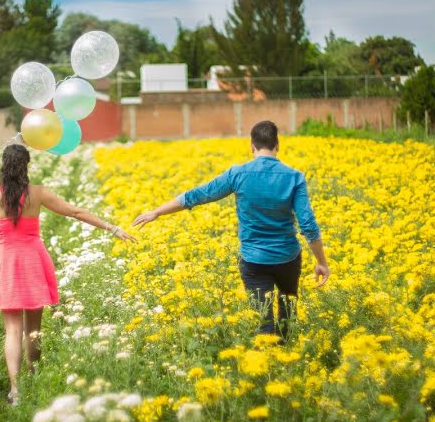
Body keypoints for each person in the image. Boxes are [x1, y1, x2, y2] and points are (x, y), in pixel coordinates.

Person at [0, 144, 135, 405]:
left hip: (7, 264)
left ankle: (15, 391)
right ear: (26, 166)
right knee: (33, 330)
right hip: (34, 261)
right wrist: (111, 228)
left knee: (12, 331)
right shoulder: (38, 193)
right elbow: (75, 212)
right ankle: (33, 377)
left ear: (3, 165)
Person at [132, 120, 329, 340]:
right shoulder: (294, 177)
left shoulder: (238, 174)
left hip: (254, 260)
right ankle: (287, 359)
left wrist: (157, 212)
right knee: (287, 314)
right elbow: (308, 225)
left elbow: (197, 195)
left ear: (252, 146)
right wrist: (321, 261)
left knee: (263, 322)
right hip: (288, 258)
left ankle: (268, 363)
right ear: (277, 145)